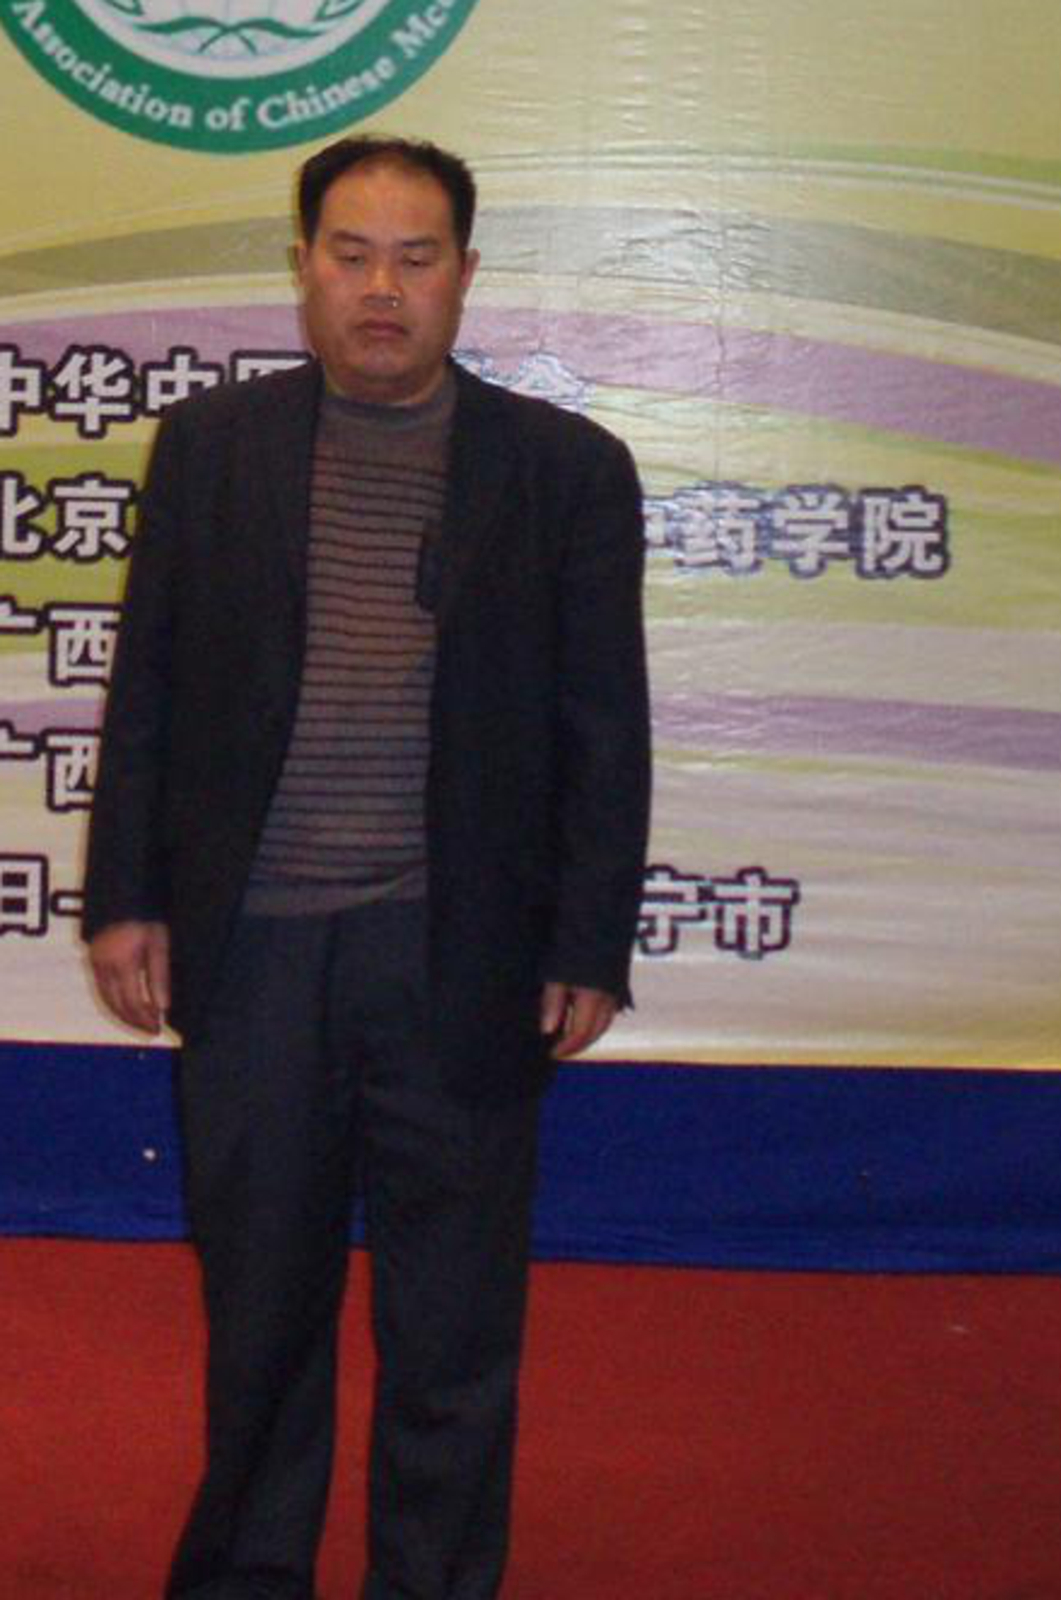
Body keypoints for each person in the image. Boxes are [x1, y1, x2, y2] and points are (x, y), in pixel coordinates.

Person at [82, 135, 651, 1600]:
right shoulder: (214, 448)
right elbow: (148, 688)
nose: (380, 288)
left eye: (415, 257)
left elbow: (604, 726)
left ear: (465, 275)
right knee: (260, 1315)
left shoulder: (564, 473)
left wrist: (587, 940)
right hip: (256, 951)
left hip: (456, 953)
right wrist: (126, 896)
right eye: (350, 255)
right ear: (303, 269)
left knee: (452, 1330)